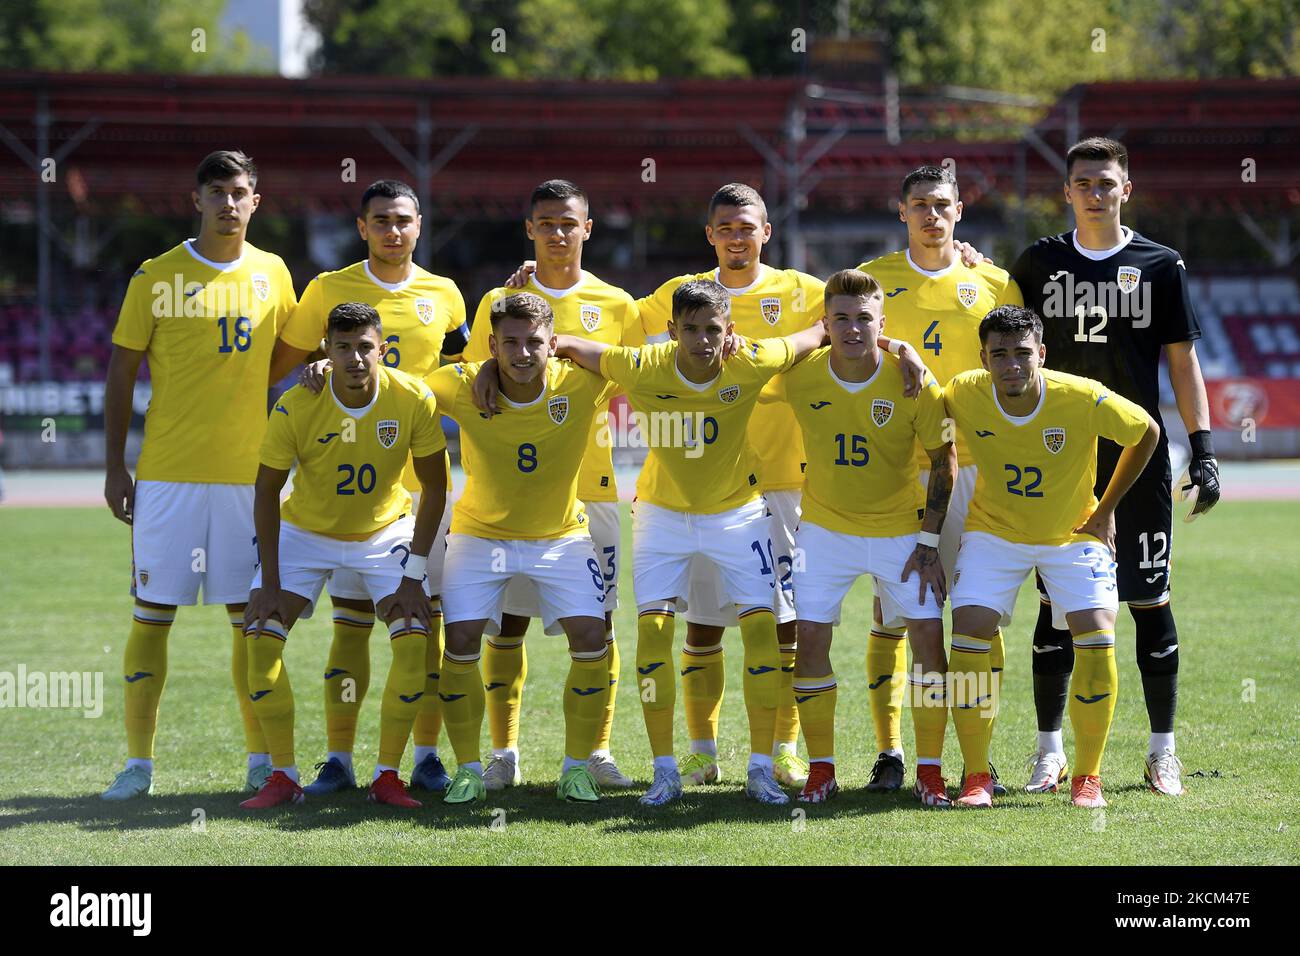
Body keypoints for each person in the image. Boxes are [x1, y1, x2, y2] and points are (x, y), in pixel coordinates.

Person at [543, 279, 831, 805]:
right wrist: (494, 368)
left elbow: (815, 332)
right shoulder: (642, 366)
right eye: (691, 330)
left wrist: (896, 348)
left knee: (763, 634)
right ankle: (665, 770)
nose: (702, 340)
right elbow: (564, 342)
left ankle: (762, 769)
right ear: (671, 331)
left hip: (739, 516)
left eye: (713, 330)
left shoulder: (752, 360)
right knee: (653, 636)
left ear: (730, 332)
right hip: (661, 518)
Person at [1010, 137, 1219, 797]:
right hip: (1060, 461)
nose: (1094, 192)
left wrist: (1206, 450)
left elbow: (1183, 363)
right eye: (1083, 183)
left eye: (1106, 182)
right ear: (1066, 191)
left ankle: (1163, 752)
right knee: (1055, 609)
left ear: (1126, 189)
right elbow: (999, 335)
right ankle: (1049, 753)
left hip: (1139, 458)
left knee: (1149, 602)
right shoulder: (1038, 263)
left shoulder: (1161, 265)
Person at [101, 150, 298, 801]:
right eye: (217, 192)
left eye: (240, 192)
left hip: (249, 481)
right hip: (167, 478)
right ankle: (137, 766)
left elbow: (285, 360)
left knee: (251, 624)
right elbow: (122, 373)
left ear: (255, 201)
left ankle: (260, 759)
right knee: (152, 616)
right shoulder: (157, 276)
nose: (228, 204)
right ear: (197, 200)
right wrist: (114, 467)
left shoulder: (274, 274)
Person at [271, 179, 468, 796]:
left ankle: (427, 755)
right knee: (349, 625)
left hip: (421, 493)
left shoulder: (446, 294)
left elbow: (462, 365)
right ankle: (338, 758)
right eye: (380, 219)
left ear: (419, 226)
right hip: (347, 498)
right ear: (362, 227)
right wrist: (312, 369)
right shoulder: (328, 289)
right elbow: (289, 364)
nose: (392, 230)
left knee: (424, 624)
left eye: (403, 220)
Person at [462, 179, 640, 791]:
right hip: (509, 497)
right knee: (506, 624)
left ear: (588, 228)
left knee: (597, 625)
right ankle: (503, 752)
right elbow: (470, 379)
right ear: (529, 229)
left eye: (569, 222)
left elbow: (635, 377)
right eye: (546, 223)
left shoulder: (618, 304)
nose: (558, 233)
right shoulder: (497, 298)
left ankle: (593, 752)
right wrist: (487, 362)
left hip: (592, 488)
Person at [944, 305, 1159, 808]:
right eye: (1000, 355)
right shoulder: (963, 391)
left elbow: (1146, 431)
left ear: (1041, 353)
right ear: (984, 358)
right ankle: (976, 776)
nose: (1011, 365)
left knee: (1097, 629)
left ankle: (1087, 777)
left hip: (1071, 533)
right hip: (994, 531)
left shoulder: (1079, 396)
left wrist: (1106, 510)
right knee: (970, 627)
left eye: (1022, 354)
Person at [854, 165, 1022, 795]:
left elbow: (1022, 365)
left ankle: (979, 756)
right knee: (893, 617)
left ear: (960, 212)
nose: (932, 215)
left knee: (981, 619)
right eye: (919, 205)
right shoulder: (874, 280)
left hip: (980, 473)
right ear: (902, 211)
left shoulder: (994, 281)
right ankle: (892, 753)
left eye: (942, 205)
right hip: (903, 471)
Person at [240, 302, 448, 809]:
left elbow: (436, 486)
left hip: (383, 531)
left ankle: (387, 776)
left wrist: (413, 575)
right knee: (260, 641)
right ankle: (283, 776)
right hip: (305, 531)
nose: (355, 357)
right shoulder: (296, 403)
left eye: (364, 347)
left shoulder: (412, 396)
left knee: (414, 638)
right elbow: (266, 490)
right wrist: (269, 581)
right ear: (326, 352)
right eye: (343, 347)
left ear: (382, 348)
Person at [769, 269, 957, 806]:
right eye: (842, 319)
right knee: (811, 641)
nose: (854, 329)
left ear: (883, 322)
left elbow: (946, 462)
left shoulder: (913, 380)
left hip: (901, 532)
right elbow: (745, 367)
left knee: (927, 641)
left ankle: (929, 770)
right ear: (825, 323)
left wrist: (928, 541)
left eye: (865, 319)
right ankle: (821, 769)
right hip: (823, 532)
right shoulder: (800, 375)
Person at [429, 293, 615, 805]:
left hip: (559, 536)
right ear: (491, 345)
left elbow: (632, 363)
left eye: (535, 341)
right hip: (479, 534)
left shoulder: (579, 384)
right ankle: (469, 768)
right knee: (461, 640)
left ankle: (576, 767)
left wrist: (571, 346)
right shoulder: (463, 385)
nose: (523, 352)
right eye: (509, 343)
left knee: (592, 634)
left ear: (552, 344)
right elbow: (397, 389)